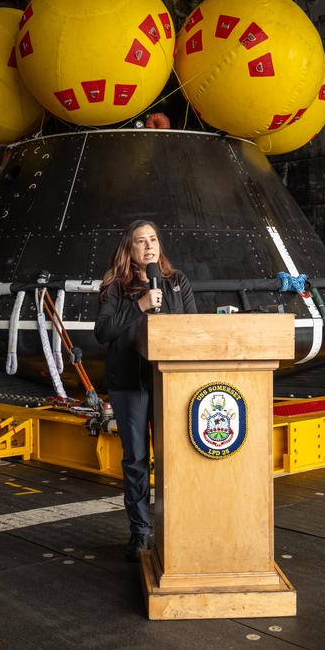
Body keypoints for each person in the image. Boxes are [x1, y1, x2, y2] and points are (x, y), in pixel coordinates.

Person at [94, 220, 197, 561]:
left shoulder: (176, 283)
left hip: (169, 382)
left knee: (174, 456)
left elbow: (193, 330)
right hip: (129, 385)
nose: (149, 246)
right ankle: (140, 530)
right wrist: (138, 306)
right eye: (141, 241)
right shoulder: (115, 287)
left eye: (153, 239)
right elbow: (103, 331)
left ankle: (177, 527)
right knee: (136, 460)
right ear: (130, 249)